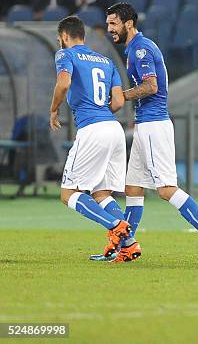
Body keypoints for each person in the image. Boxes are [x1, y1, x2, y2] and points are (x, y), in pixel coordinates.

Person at [103, 2, 198, 263]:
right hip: (145, 124)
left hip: (154, 126)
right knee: (133, 188)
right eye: (108, 23)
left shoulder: (141, 50)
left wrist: (121, 96)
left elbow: (151, 86)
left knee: (166, 189)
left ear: (128, 24)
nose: (109, 29)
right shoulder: (134, 48)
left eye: (113, 23)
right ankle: (126, 246)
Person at [49, 16, 136, 262]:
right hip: (113, 128)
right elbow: (118, 101)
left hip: (93, 130)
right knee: (101, 192)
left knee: (68, 193)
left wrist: (54, 109)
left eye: (59, 40)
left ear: (65, 37)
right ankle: (128, 244)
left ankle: (114, 225)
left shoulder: (65, 55)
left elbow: (63, 84)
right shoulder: (106, 61)